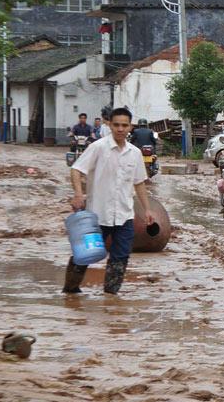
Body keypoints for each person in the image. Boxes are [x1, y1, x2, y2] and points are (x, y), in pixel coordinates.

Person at [63, 107, 156, 295]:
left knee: (120, 258)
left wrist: (147, 209)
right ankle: (70, 291)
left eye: (124, 125)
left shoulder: (135, 153)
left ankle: (110, 298)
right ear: (109, 125)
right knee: (84, 255)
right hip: (97, 216)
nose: (120, 129)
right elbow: (76, 169)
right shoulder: (98, 147)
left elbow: (139, 183)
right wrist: (79, 194)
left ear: (131, 127)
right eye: (116, 125)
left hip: (124, 216)